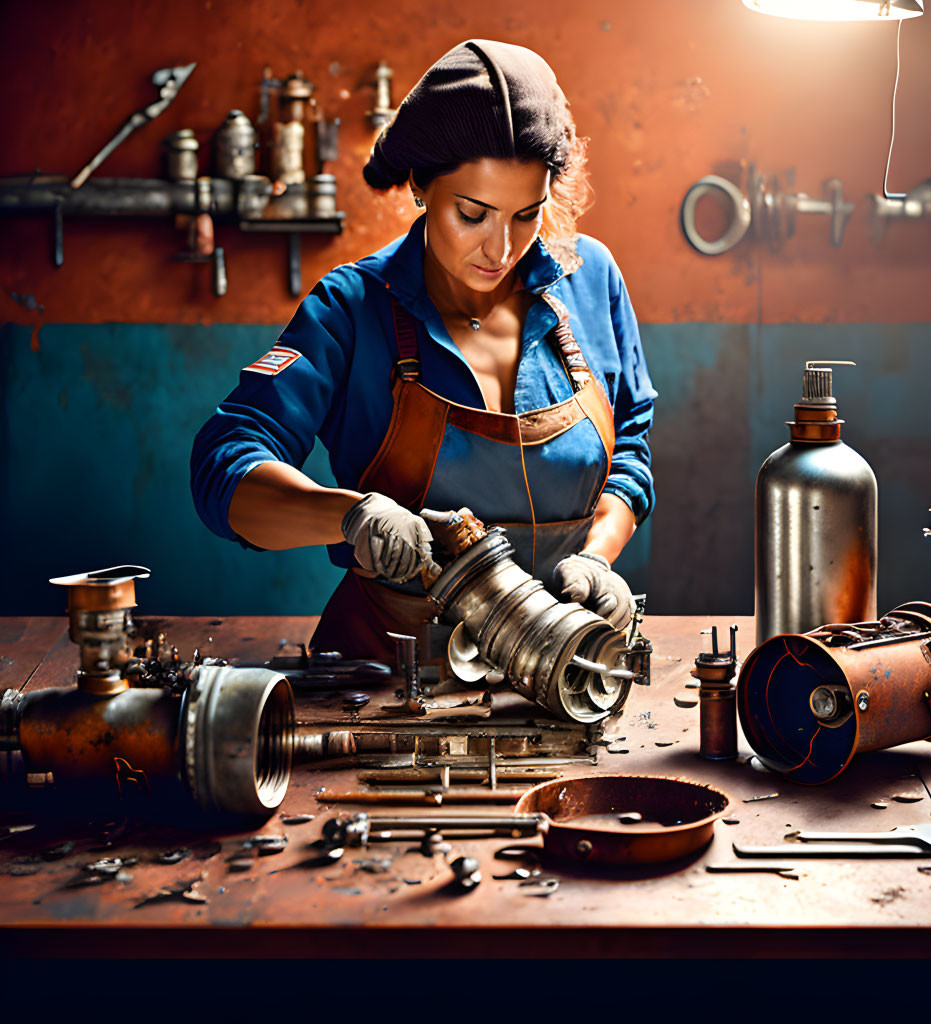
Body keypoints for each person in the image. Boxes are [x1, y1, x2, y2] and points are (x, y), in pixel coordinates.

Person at [191, 40, 656, 664]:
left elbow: (628, 445)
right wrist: (350, 516)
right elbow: (225, 465)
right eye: (473, 213)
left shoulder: (591, 279)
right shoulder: (352, 309)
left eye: (528, 215)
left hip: (562, 674)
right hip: (391, 677)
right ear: (420, 187)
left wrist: (598, 559)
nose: (501, 248)